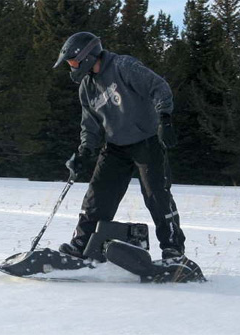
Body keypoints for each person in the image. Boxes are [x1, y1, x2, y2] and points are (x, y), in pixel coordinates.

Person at [53, 32, 186, 260]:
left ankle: (173, 250)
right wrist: (85, 151)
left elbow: (159, 86)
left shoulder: (123, 66)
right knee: (97, 196)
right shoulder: (86, 87)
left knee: (156, 195)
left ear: (86, 56)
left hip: (147, 140)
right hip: (115, 145)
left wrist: (165, 118)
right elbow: (91, 125)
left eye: (73, 62)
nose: (72, 67)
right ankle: (81, 246)